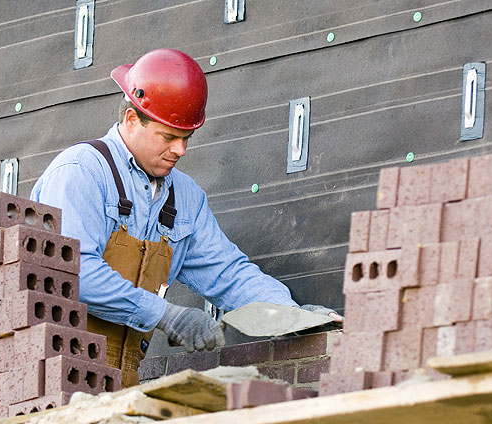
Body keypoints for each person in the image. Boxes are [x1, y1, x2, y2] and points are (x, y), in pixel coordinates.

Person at [31, 48, 339, 387]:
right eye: (169, 137)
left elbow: (227, 274)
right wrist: (166, 315)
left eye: (186, 138)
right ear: (132, 120)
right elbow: (76, 274)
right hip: (49, 375)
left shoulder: (185, 198)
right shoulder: (81, 172)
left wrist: (291, 316)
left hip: (119, 380)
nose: (181, 150)